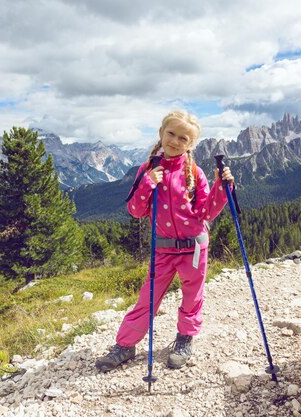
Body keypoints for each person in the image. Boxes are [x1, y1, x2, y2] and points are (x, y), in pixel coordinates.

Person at [95, 110, 234, 372]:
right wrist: (148, 183)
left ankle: (184, 339)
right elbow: (135, 210)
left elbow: (207, 212)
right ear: (161, 133)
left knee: (192, 296)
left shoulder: (195, 171)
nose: (175, 140)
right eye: (171, 133)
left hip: (195, 248)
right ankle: (126, 345)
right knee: (148, 298)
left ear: (190, 144)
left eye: (183, 138)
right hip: (163, 250)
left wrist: (222, 187)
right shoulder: (147, 170)